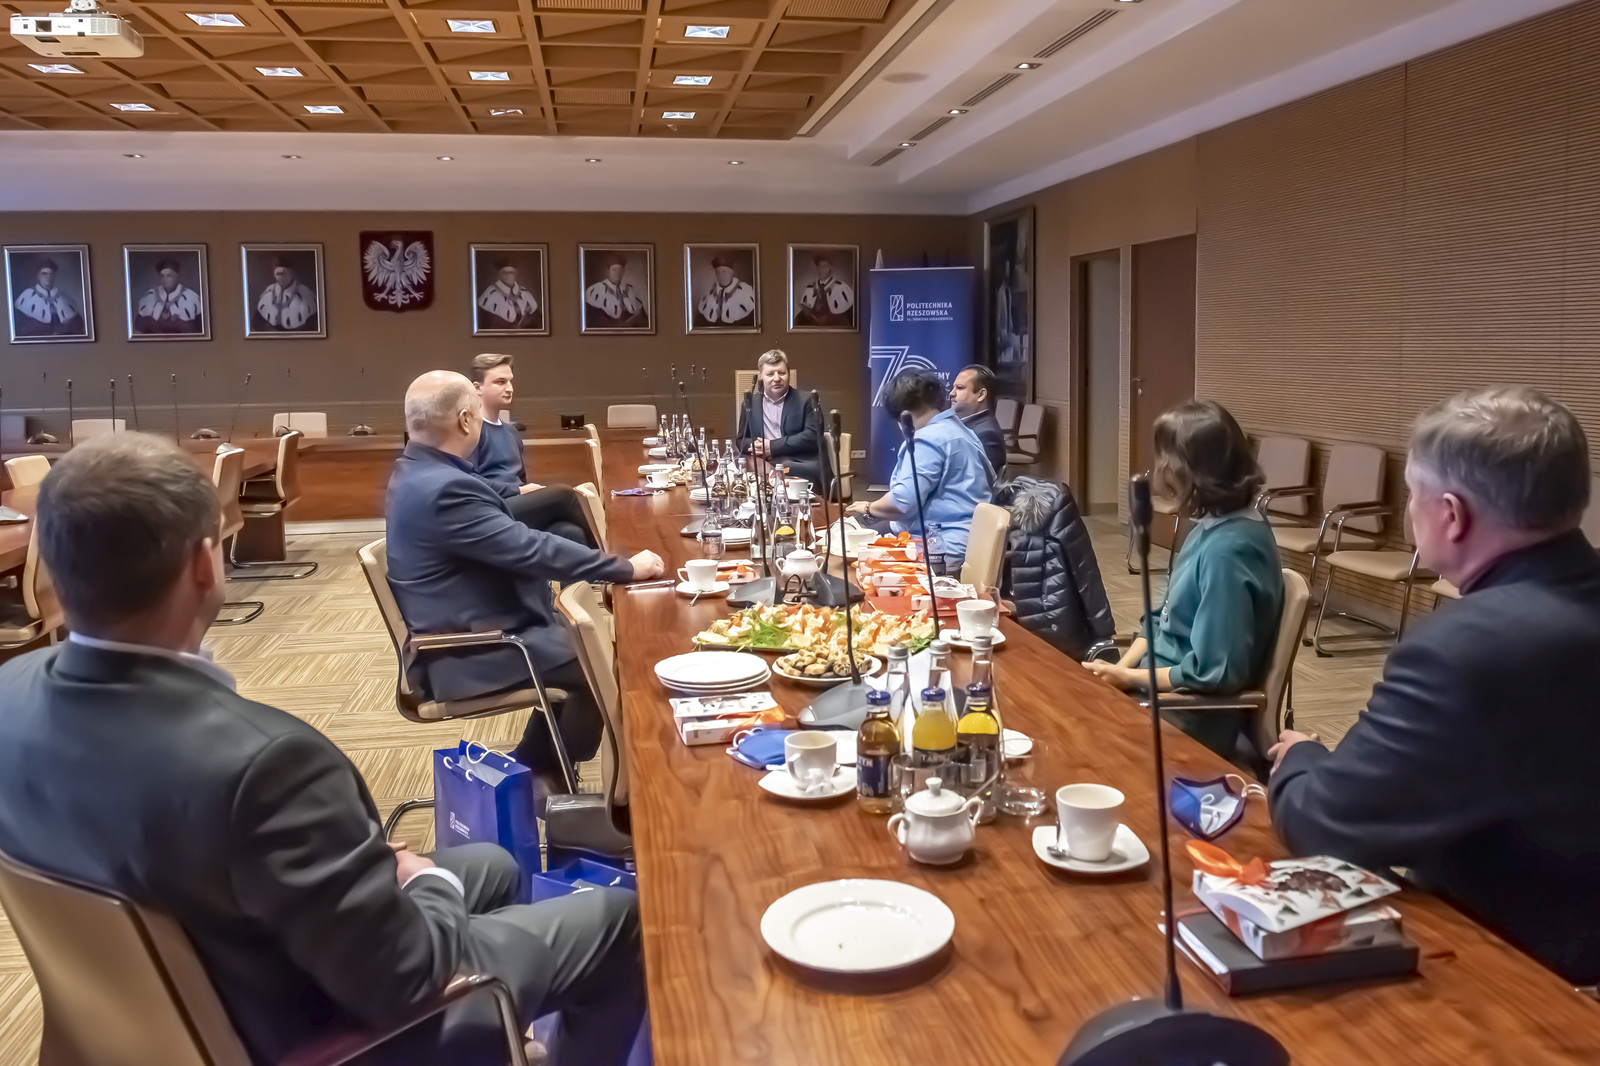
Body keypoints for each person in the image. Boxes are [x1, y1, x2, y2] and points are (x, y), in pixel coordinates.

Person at [0, 433, 646, 1066]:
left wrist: (353, 864)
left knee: (494, 865)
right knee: (621, 919)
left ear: (55, 566)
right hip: (318, 1025)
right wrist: (424, 880)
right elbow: (407, 976)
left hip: (178, 993)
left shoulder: (10, 695)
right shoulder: (268, 764)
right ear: (203, 564)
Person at [1267, 386, 1600, 985]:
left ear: (1451, 515)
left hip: (1521, 976)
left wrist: (1302, 757)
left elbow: (1327, 824)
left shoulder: (1463, 651)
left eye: (1410, 497)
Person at [386, 371, 663, 787]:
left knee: (590, 646)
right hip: (469, 649)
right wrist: (625, 568)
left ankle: (532, 770)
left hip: (473, 622)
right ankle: (552, 782)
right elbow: (531, 549)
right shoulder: (445, 488)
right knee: (600, 667)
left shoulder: (416, 471)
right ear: (466, 420)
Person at [1084, 400, 1284, 762]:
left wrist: (1129, 679)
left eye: (1166, 457)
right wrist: (1120, 669)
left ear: (1193, 470)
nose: (1159, 468)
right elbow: (1160, 619)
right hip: (1154, 689)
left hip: (1187, 712)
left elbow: (1214, 672)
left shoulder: (1230, 552)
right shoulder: (1210, 526)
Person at [846, 368, 992, 573]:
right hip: (968, 540)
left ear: (902, 414)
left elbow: (901, 504)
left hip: (940, 549)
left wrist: (869, 507)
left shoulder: (927, 440)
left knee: (848, 558)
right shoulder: (961, 431)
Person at [469, 352, 597, 548]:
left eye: (510, 381)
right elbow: (469, 480)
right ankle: (611, 560)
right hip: (492, 509)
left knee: (570, 532)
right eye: (500, 382)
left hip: (518, 505)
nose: (509, 389)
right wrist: (518, 490)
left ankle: (598, 566)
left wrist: (525, 490)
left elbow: (520, 478)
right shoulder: (471, 431)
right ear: (477, 388)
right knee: (564, 494)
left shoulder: (511, 432)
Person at [734, 348, 824, 489]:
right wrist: (758, 447)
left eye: (781, 373)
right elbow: (741, 440)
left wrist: (772, 447)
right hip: (765, 464)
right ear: (761, 377)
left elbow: (813, 436)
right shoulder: (749, 404)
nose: (777, 378)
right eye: (770, 374)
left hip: (799, 463)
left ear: (788, 374)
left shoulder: (807, 400)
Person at [949, 364, 1008, 476]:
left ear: (981, 395)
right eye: (953, 387)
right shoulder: (966, 425)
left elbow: (979, 481)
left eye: (960, 388)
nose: (952, 393)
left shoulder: (987, 434)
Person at [12, 258, 83, 338]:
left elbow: (77, 326)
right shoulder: (27, 295)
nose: (48, 277)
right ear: (38, 276)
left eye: (51, 274)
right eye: (44, 274)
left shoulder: (63, 297)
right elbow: (20, 328)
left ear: (55, 276)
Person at [133, 257, 204, 336]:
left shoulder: (190, 296)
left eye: (169, 275)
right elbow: (138, 325)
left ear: (176, 276)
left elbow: (199, 329)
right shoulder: (150, 295)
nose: (165, 279)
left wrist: (180, 323)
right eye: (162, 276)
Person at [584, 252, 647, 329]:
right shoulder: (597, 290)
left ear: (623, 271)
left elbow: (643, 320)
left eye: (620, 270)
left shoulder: (631, 290)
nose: (617, 273)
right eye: (614, 270)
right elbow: (593, 322)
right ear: (608, 270)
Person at [793, 251, 854, 329]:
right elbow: (805, 313)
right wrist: (810, 316)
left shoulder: (841, 288)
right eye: (819, 267)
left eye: (825, 267)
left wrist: (828, 319)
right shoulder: (810, 287)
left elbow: (847, 315)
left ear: (830, 268)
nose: (821, 270)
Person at [477, 258, 541, 331]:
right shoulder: (490, 293)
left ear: (516, 274)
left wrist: (527, 323)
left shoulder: (524, 292)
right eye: (505, 273)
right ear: (499, 274)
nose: (508, 276)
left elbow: (537, 322)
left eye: (511, 273)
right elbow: (487, 325)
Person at [256, 258, 318, 332]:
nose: (280, 278)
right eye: (278, 274)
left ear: (292, 273)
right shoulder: (268, 291)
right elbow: (258, 322)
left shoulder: (305, 292)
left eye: (283, 274)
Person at [695, 255, 756, 329]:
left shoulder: (746, 293)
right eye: (718, 272)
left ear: (731, 273)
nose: (721, 276)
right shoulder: (707, 296)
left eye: (724, 272)